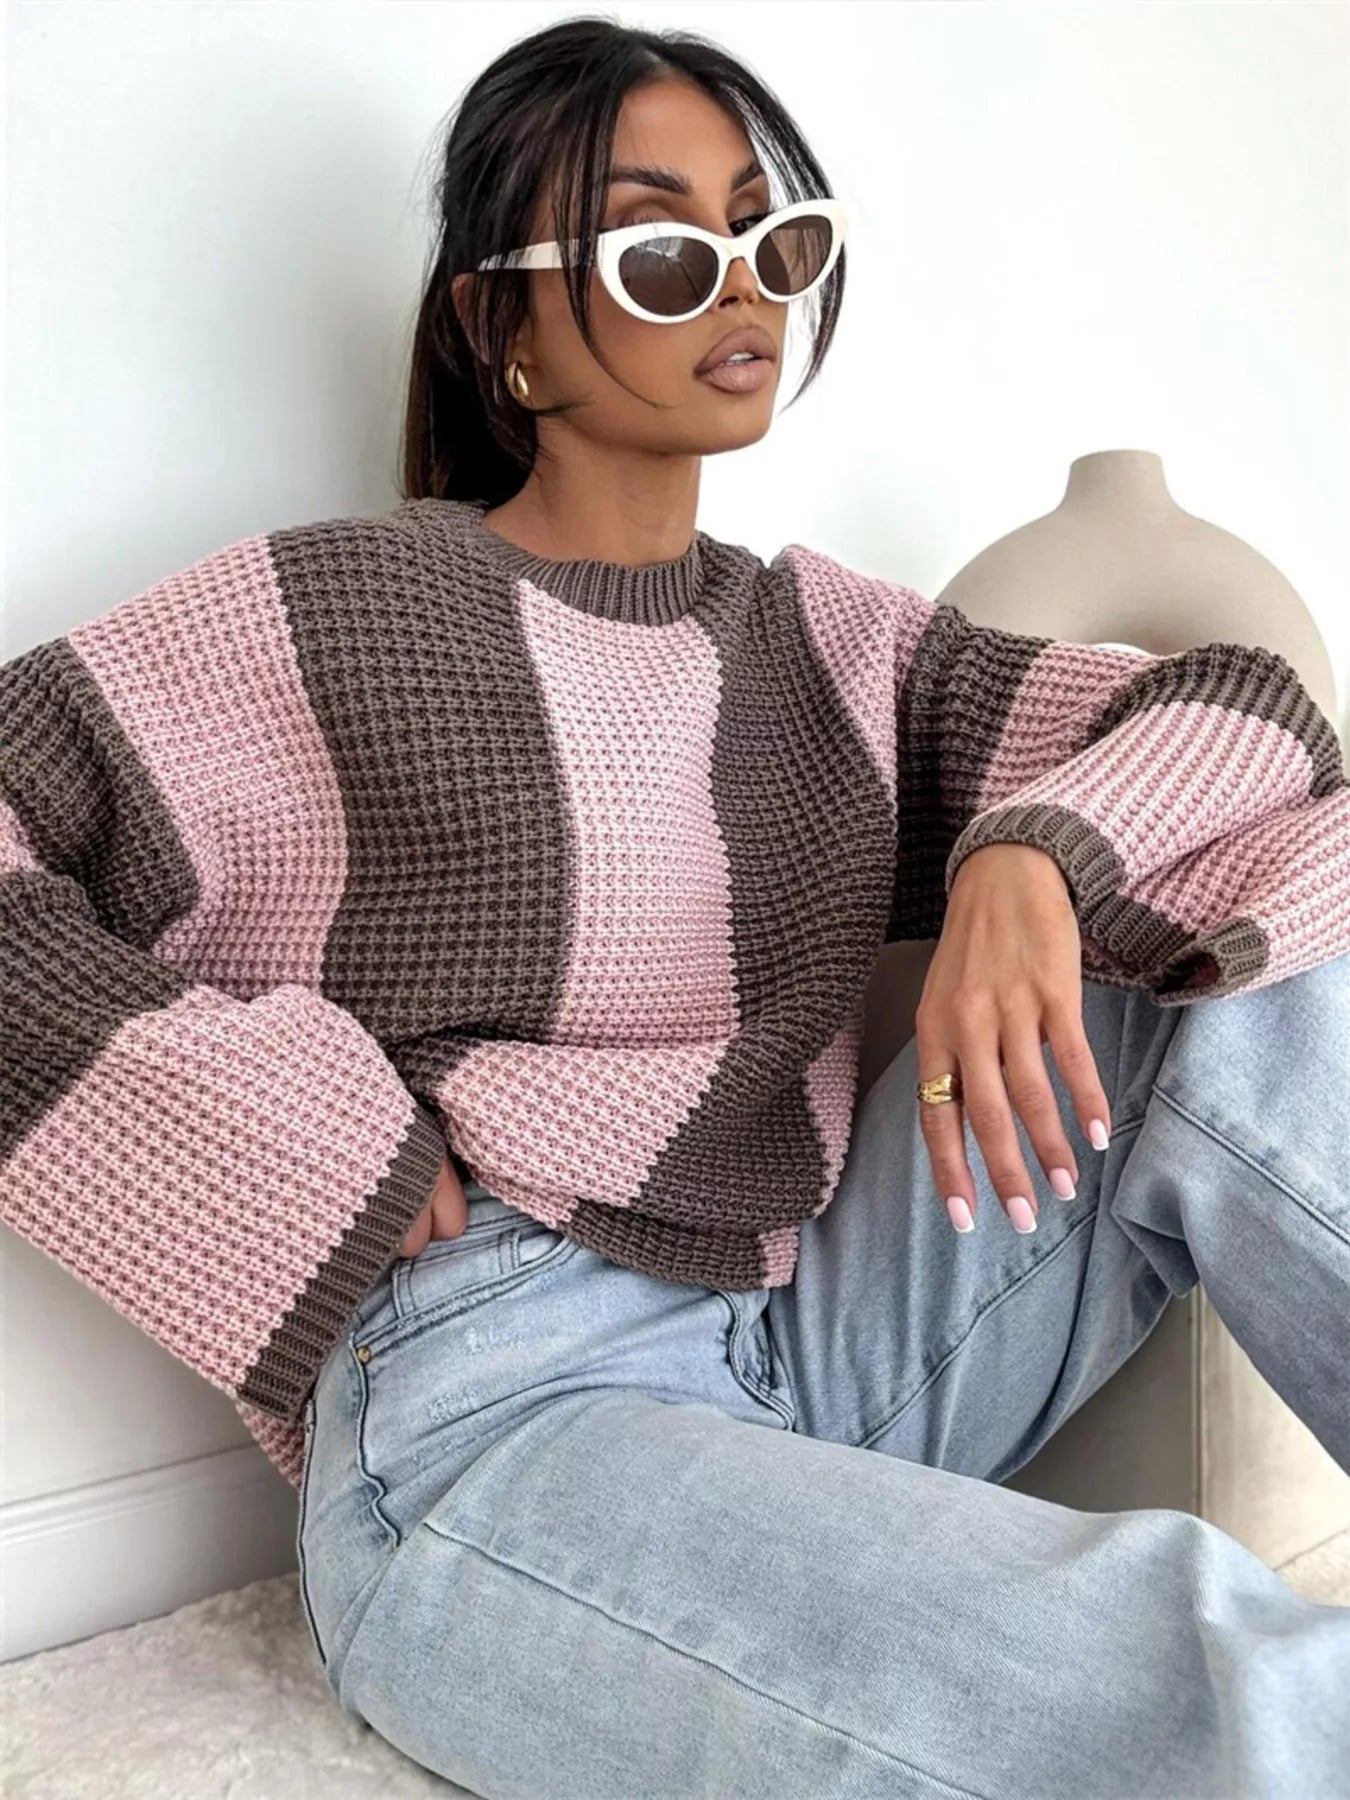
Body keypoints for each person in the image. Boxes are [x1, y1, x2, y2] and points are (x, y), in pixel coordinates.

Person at [4, 16, 1349, 1796]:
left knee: (1230, 954)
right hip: (497, 1411)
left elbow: (1256, 711)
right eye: (659, 246)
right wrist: (276, 1134)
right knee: (1186, 1673)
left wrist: (1031, 856)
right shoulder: (351, 612)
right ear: (504, 329)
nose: (743, 295)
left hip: (821, 1338)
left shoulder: (829, 644)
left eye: (772, 240)